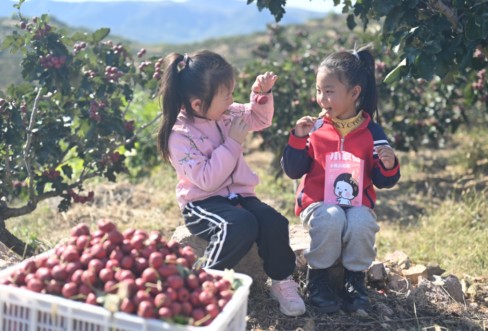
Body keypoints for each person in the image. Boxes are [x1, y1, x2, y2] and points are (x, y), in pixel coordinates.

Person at [157, 50, 306, 317]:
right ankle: (204, 285)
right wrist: (233, 143)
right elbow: (207, 179)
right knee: (240, 224)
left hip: (239, 196)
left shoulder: (225, 113)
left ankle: (281, 281)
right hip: (203, 202)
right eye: (226, 95)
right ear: (197, 104)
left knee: (274, 222)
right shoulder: (180, 135)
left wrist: (260, 97)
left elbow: (260, 118)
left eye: (232, 93)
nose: (232, 101)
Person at [281, 45, 400, 315]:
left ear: (355, 93)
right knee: (332, 215)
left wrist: (389, 164)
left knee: (360, 220)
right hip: (319, 203)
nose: (322, 98)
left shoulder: (372, 131)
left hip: (356, 204)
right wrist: (298, 139)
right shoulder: (315, 128)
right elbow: (293, 169)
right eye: (319, 90)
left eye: (330, 91)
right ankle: (318, 278)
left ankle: (354, 280)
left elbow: (383, 180)